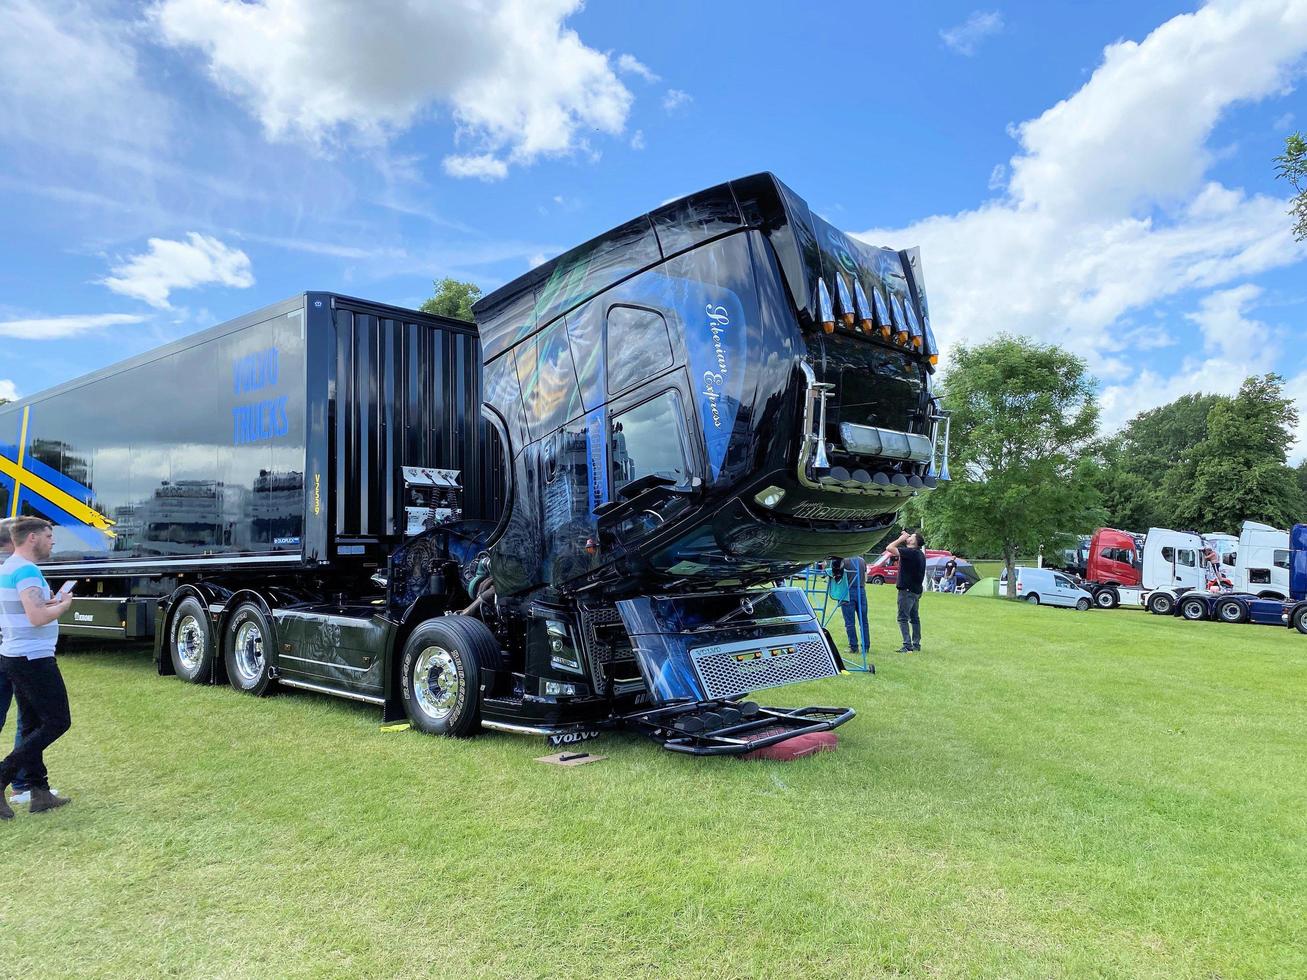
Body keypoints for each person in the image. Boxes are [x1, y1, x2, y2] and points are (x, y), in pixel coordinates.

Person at [0, 517, 74, 819]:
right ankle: (4, 773)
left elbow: (29, 609)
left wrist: (50, 602)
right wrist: (63, 606)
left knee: (31, 724)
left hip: (16, 655)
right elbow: (36, 618)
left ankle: (39, 792)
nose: (52, 541)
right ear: (32, 538)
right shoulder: (27, 570)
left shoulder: (9, 568)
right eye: (49, 535)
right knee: (58, 721)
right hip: (33, 658)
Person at [885, 529, 926, 652]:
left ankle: (907, 645)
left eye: (911, 537)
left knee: (902, 618)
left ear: (915, 542)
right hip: (916, 591)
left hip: (907, 591)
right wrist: (904, 538)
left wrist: (900, 540)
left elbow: (889, 548)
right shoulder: (919, 554)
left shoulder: (911, 552)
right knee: (914, 618)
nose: (909, 538)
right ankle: (916, 644)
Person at [827, 555, 869, 662]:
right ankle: (866, 646)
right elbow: (866, 576)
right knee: (863, 621)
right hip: (861, 590)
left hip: (848, 591)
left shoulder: (844, 560)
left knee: (849, 622)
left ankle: (853, 647)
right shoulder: (862, 560)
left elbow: (836, 573)